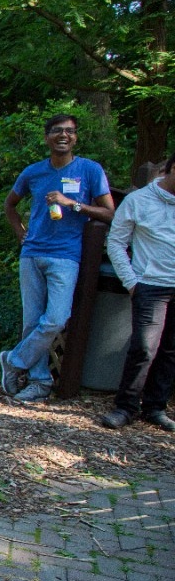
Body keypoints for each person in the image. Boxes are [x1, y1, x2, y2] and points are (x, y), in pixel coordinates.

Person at [0, 114, 115, 403]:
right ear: (47, 137)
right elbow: (10, 204)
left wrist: (72, 203)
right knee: (32, 321)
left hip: (66, 255)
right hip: (32, 253)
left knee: (56, 319)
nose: (64, 135)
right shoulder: (34, 172)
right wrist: (19, 232)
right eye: (57, 131)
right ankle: (38, 382)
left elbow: (109, 212)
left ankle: (14, 360)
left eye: (70, 131)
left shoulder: (89, 170)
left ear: (76, 137)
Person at [99, 151, 175, 432]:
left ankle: (155, 408)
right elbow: (116, 243)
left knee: (170, 350)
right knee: (144, 347)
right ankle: (126, 407)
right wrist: (132, 282)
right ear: (170, 168)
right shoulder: (139, 200)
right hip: (150, 285)